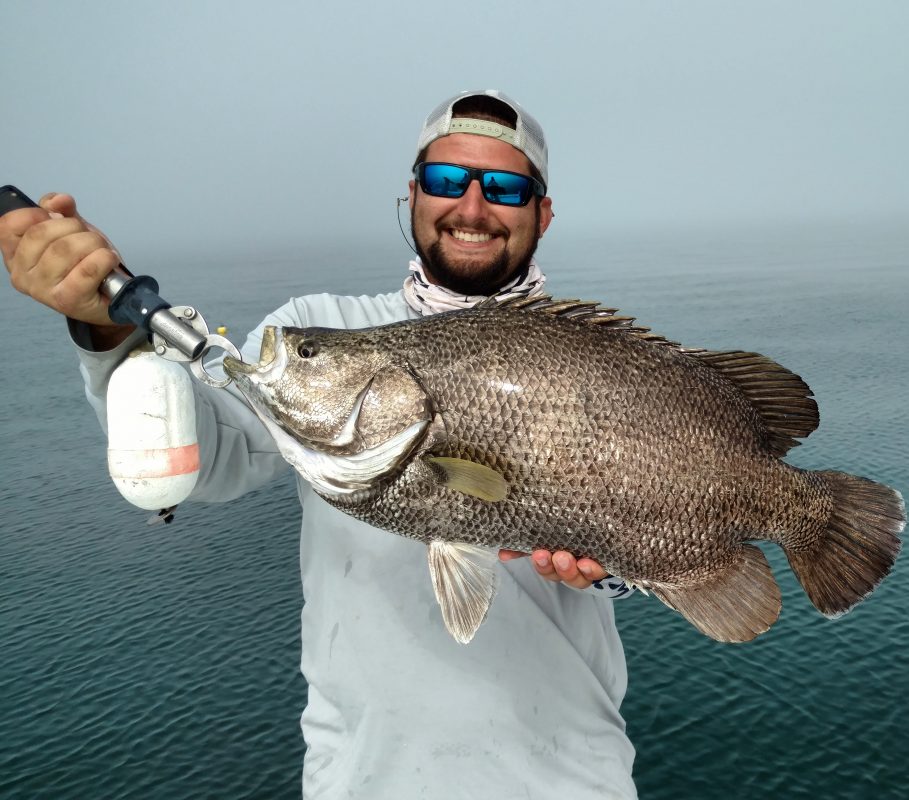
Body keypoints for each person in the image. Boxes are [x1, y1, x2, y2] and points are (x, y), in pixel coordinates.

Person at [1, 90, 638, 799]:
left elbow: (640, 533)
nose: (472, 206)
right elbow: (209, 458)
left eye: (507, 188)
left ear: (541, 213)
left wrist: (609, 567)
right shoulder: (319, 330)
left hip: (572, 778)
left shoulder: (592, 363)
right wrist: (108, 328)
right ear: (414, 195)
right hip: (366, 779)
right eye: (446, 180)